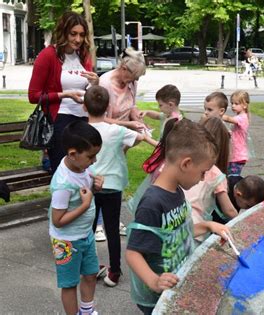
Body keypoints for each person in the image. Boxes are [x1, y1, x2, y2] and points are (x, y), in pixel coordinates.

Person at [125, 119, 231, 315]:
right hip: (156, 296)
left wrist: (208, 225)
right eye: (202, 172)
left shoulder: (177, 192)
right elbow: (133, 252)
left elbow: (178, 232)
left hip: (175, 285)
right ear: (186, 163)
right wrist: (154, 281)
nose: (201, 178)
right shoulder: (153, 203)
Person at [83, 86, 153, 288]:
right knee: (112, 230)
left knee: (88, 229)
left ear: (85, 106)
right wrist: (124, 147)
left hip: (89, 186)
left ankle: (91, 266)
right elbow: (139, 138)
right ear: (108, 107)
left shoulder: (83, 130)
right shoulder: (117, 131)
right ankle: (115, 271)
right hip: (113, 186)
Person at [28, 11, 100, 173]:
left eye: (81, 35)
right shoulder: (48, 56)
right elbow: (33, 96)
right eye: (73, 34)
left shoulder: (83, 56)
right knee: (63, 172)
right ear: (63, 32)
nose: (78, 40)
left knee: (82, 170)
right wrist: (64, 95)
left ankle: (84, 199)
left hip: (82, 120)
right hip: (59, 120)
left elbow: (88, 92)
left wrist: (94, 84)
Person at [48, 120, 103, 315]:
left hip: (84, 234)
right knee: (70, 284)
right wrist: (86, 205)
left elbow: (87, 191)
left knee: (90, 273)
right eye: (91, 156)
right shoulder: (63, 185)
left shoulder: (82, 167)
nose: (94, 161)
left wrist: (95, 188)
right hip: (67, 242)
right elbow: (58, 220)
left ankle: (86, 310)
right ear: (73, 154)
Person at [185, 117, 238, 241]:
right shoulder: (215, 173)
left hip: (175, 224)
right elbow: (229, 210)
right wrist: (242, 223)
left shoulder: (187, 161)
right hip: (197, 229)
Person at [127, 118, 180, 216]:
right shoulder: (166, 165)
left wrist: (147, 138)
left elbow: (158, 145)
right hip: (158, 204)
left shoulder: (165, 151)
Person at [99, 47, 147, 132]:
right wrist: (128, 124)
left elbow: (132, 106)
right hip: (108, 135)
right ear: (124, 68)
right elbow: (99, 119)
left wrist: (137, 116)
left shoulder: (131, 82)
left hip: (124, 133)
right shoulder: (104, 84)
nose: (136, 80)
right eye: (135, 76)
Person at [222, 90, 250, 176]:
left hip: (237, 156)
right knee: (228, 176)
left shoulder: (243, 118)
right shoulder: (239, 116)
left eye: (236, 104)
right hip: (234, 154)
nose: (233, 106)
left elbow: (229, 119)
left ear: (244, 105)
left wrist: (217, 113)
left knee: (232, 178)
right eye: (232, 103)